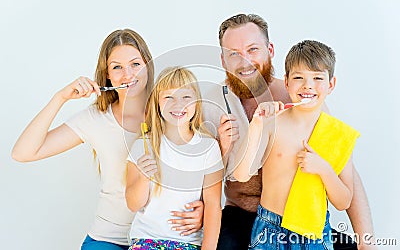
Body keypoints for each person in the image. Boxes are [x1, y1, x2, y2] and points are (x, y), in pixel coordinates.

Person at [11, 29, 203, 250]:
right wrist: (60, 97)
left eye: (135, 64)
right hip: (109, 238)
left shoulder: (177, 112)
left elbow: (204, 165)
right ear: (107, 75)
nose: (128, 75)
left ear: (148, 66)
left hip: (163, 239)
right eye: (117, 67)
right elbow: (23, 153)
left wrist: (204, 210)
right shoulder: (95, 119)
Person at [202, 13, 376, 250]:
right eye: (234, 54)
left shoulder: (302, 99)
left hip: (302, 221)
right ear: (223, 60)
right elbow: (202, 173)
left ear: (270, 50)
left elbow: (343, 168)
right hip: (243, 216)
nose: (245, 62)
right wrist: (222, 150)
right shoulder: (211, 105)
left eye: (253, 49)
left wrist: (367, 240)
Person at [233, 39, 356, 249]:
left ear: (331, 84)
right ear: (287, 82)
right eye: (299, 77)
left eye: (317, 78)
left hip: (314, 234)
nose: (308, 85)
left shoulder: (337, 134)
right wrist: (255, 127)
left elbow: (343, 202)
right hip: (270, 230)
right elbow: (241, 175)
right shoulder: (273, 124)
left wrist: (324, 170)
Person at [125, 66, 224, 250]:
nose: (178, 104)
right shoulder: (143, 145)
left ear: (197, 102)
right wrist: (143, 177)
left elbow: (212, 205)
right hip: (146, 240)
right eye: (168, 97)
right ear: (157, 104)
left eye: (186, 97)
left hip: (187, 243)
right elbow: (132, 204)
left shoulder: (209, 148)